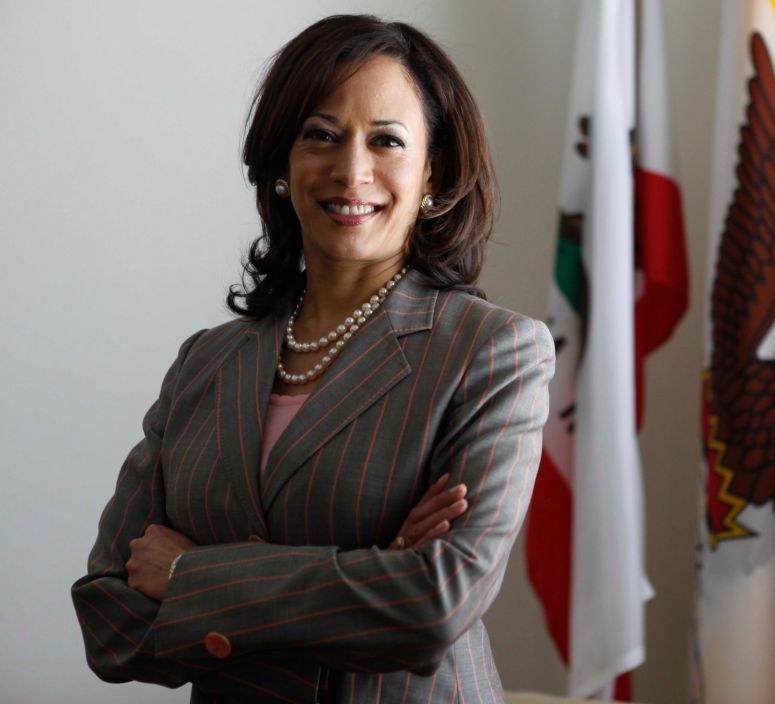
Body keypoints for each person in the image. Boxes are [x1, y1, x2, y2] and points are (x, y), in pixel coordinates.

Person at [71, 14, 554, 703]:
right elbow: (109, 623)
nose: (351, 169)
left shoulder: (492, 352)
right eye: (321, 136)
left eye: (386, 140)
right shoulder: (204, 364)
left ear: (434, 174)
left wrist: (195, 579)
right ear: (281, 165)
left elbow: (436, 606)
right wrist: (373, 571)